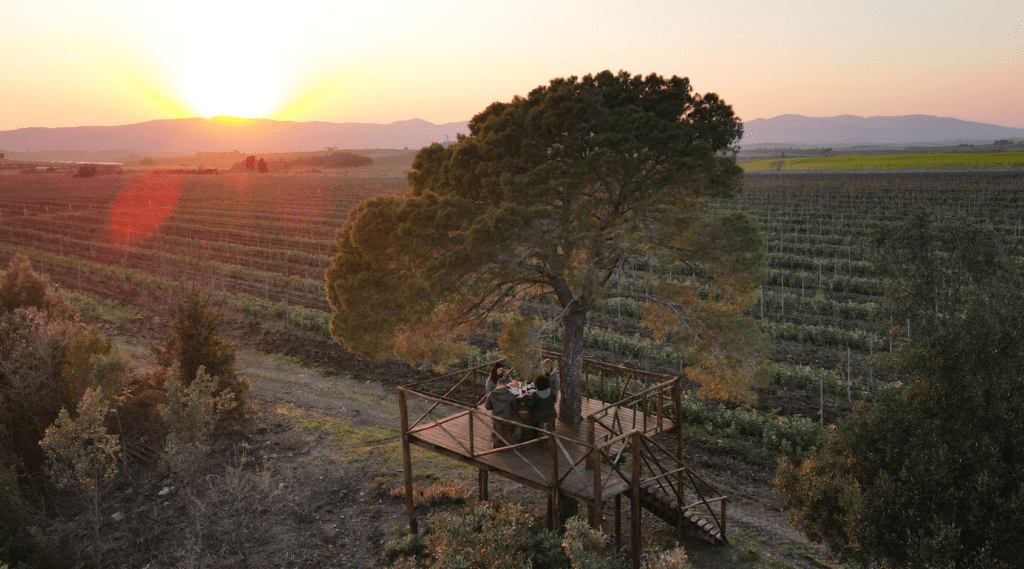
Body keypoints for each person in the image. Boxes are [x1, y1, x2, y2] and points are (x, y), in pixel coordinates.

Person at [485, 373, 518, 447]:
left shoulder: (491, 394)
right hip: (507, 419)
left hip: (496, 418)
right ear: (506, 385)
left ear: (497, 385)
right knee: (519, 423)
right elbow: (514, 408)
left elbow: (487, 407)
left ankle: (494, 439)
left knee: (494, 421)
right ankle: (514, 442)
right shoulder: (511, 395)